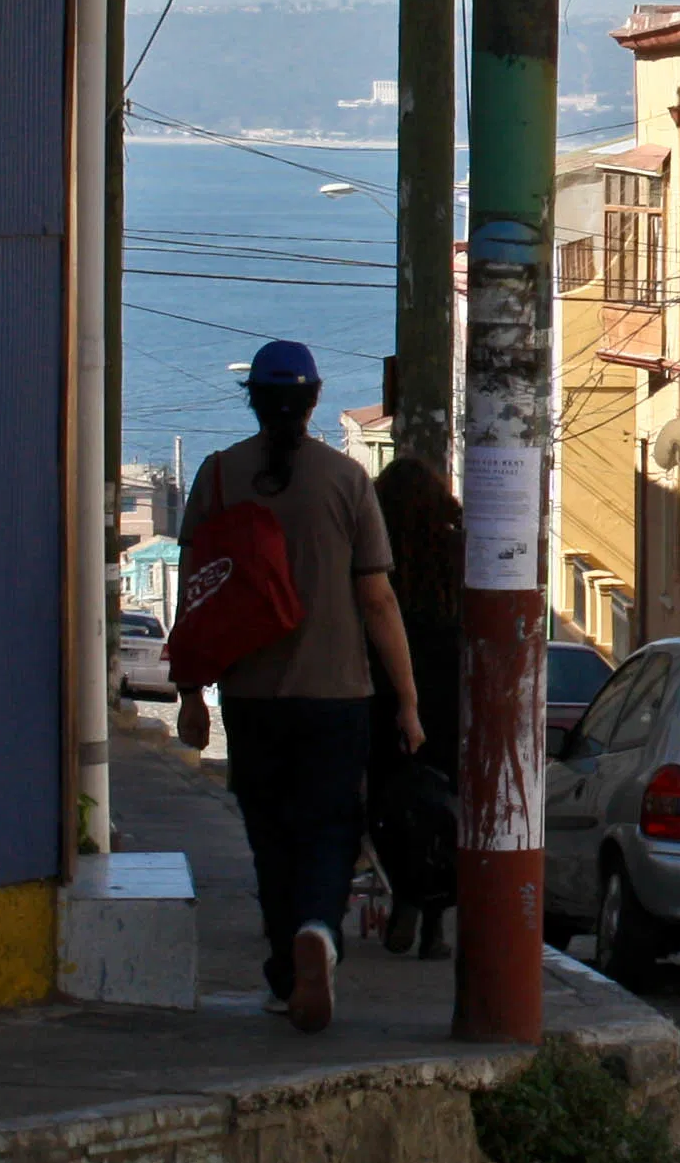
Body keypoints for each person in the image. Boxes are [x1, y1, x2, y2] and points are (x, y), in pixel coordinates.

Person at [175, 342, 419, 1031]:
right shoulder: (347, 481)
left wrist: (192, 696)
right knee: (328, 830)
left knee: (270, 836)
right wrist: (406, 700)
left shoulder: (218, 477)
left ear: (252, 398)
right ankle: (319, 930)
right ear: (314, 401)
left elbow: (197, 594)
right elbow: (377, 600)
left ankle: (288, 969)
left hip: (250, 699)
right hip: (337, 696)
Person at [368, 454, 468, 961]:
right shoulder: (456, 551)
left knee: (388, 801)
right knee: (441, 805)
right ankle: (434, 919)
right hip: (448, 690)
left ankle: (405, 894)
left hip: (385, 684)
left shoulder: (376, 555)